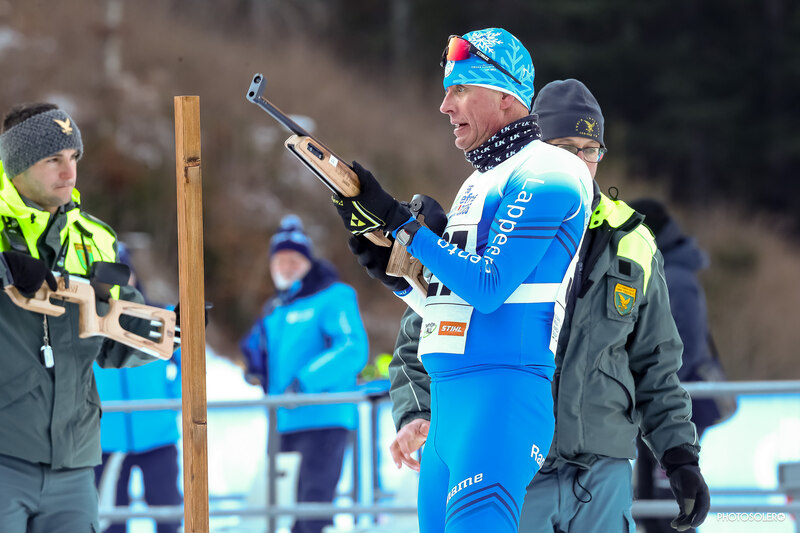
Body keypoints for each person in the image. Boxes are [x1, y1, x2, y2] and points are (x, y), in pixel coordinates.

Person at [351, 79, 709, 532]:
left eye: (590, 149)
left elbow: (656, 362)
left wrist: (679, 456)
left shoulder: (632, 241)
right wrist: (417, 413)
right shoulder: (485, 221)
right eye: (564, 148)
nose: (579, 161)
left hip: (603, 469)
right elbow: (419, 339)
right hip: (515, 459)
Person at [333, 29, 593, 533]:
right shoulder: (478, 181)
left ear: (504, 96)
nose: (445, 106)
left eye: (460, 90)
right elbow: (455, 304)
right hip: (451, 407)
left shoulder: (551, 167)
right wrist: (395, 274)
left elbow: (489, 285)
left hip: (501, 399)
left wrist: (403, 226)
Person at [0, 103, 159, 532]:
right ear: (16, 163)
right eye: (53, 159)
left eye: (73, 157)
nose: (69, 172)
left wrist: (168, 329)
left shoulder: (94, 238)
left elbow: (111, 337)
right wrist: (4, 268)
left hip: (73, 467)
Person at [239, 214, 369, 533]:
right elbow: (259, 351)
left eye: (294, 260)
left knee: (312, 515)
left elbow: (352, 347)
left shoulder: (333, 296)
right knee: (280, 514)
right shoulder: (275, 309)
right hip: (282, 422)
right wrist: (255, 367)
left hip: (324, 419)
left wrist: (304, 382)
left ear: (308, 263)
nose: (286, 267)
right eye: (280, 260)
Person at [629, 198, 734, 533]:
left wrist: (655, 392)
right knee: (656, 498)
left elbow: (683, 349)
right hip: (664, 401)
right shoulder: (668, 270)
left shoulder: (674, 277)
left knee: (670, 498)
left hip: (673, 404)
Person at [93, 243, 183, 533]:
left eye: (124, 272)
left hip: (158, 435)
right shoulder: (89, 319)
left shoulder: (160, 315)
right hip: (105, 441)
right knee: (109, 524)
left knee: (168, 518)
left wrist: (173, 398)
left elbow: (189, 359)